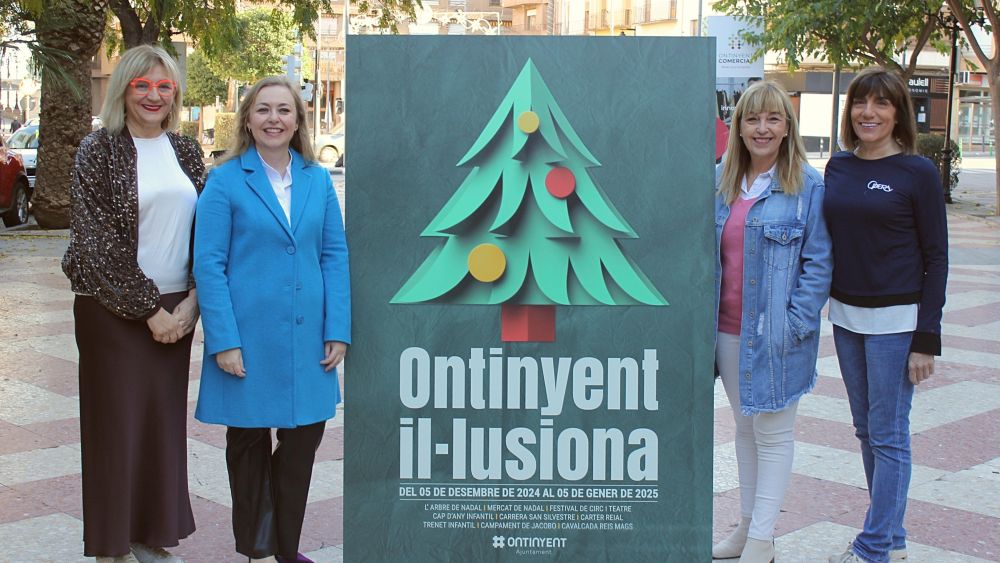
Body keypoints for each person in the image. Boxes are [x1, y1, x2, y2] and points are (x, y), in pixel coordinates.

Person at [193, 75, 351, 563]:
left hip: (308, 339)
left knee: (303, 442)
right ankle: (260, 548)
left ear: (298, 121)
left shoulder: (317, 180)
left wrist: (338, 328)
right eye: (263, 109)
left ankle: (283, 547)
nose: (274, 119)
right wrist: (224, 340)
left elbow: (334, 255)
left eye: (284, 110)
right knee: (248, 445)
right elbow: (209, 264)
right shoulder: (224, 180)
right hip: (247, 338)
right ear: (247, 119)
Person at [62, 44, 204, 563]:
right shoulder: (97, 150)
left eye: (164, 86)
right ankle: (111, 546)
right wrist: (150, 310)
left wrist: (194, 300)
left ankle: (149, 534)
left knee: (160, 426)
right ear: (123, 89)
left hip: (176, 309)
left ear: (175, 94)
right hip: (111, 309)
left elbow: (207, 230)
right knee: (115, 428)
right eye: (142, 85)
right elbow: (95, 240)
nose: (153, 95)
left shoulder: (186, 150)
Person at [824, 68, 948, 563]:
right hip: (846, 318)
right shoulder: (838, 166)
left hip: (896, 324)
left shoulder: (917, 172)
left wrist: (927, 338)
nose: (868, 113)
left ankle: (873, 546)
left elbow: (936, 257)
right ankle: (891, 540)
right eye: (860, 103)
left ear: (898, 114)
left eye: (881, 104)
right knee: (866, 430)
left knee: (889, 434)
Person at [712, 80, 833, 563]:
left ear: (787, 128)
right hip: (726, 332)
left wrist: (796, 323)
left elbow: (818, 263)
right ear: (738, 127)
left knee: (774, 434)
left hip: (777, 334)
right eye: (752, 119)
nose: (762, 128)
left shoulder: (807, 186)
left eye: (773, 119)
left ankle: (762, 540)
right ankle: (747, 529)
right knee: (745, 430)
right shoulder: (720, 181)